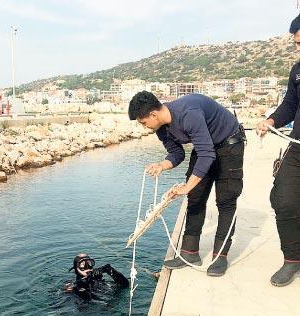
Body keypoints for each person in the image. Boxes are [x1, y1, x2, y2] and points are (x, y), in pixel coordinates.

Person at [128, 91, 246, 276]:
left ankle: (220, 257)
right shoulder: (160, 127)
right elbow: (177, 154)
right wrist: (162, 165)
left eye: (143, 123)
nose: (144, 127)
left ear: (153, 114)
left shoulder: (188, 113)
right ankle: (190, 253)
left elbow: (207, 155)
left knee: (226, 201)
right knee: (195, 197)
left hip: (230, 144)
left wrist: (186, 187)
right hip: (205, 145)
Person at [255, 14, 300, 287]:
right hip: (297, 147)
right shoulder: (297, 71)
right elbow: (290, 105)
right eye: (297, 43)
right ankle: (292, 260)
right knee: (282, 199)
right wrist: (271, 121)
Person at [65, 253, 129, 301]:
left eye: (89, 263)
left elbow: (125, 285)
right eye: (82, 265)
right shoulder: (75, 286)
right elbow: (89, 300)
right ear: (76, 269)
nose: (87, 268)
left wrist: (109, 270)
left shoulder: (98, 279)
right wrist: (82, 286)